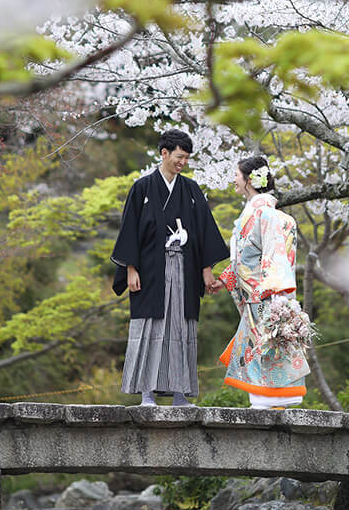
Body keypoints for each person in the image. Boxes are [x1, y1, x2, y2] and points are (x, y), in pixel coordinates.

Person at [111, 128, 228, 406]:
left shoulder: (190, 190)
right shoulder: (142, 188)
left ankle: (179, 393)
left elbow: (203, 233)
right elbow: (129, 231)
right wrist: (130, 269)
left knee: (181, 327)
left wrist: (207, 272)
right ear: (164, 153)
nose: (182, 163)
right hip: (150, 269)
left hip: (185, 269)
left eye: (186, 158)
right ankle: (147, 393)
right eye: (179, 156)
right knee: (151, 326)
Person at [212, 155, 310, 408]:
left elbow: (273, 257)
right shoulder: (256, 214)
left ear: (249, 180)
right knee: (262, 351)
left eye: (236, 175)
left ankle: (267, 404)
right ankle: (268, 403)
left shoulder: (266, 215)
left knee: (266, 349)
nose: (233, 179)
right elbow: (244, 260)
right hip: (257, 296)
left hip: (266, 296)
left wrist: (277, 297)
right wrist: (225, 280)